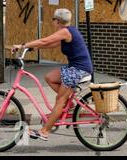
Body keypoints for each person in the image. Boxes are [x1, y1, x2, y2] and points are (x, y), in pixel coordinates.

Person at [12, 8, 93, 141]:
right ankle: (69, 104)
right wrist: (32, 47)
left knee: (59, 100)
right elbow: (50, 44)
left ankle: (44, 131)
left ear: (58, 21)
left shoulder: (65, 32)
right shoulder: (68, 31)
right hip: (75, 67)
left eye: (53, 19)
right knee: (49, 77)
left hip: (79, 69)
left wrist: (22, 45)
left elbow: (45, 41)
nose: (53, 22)